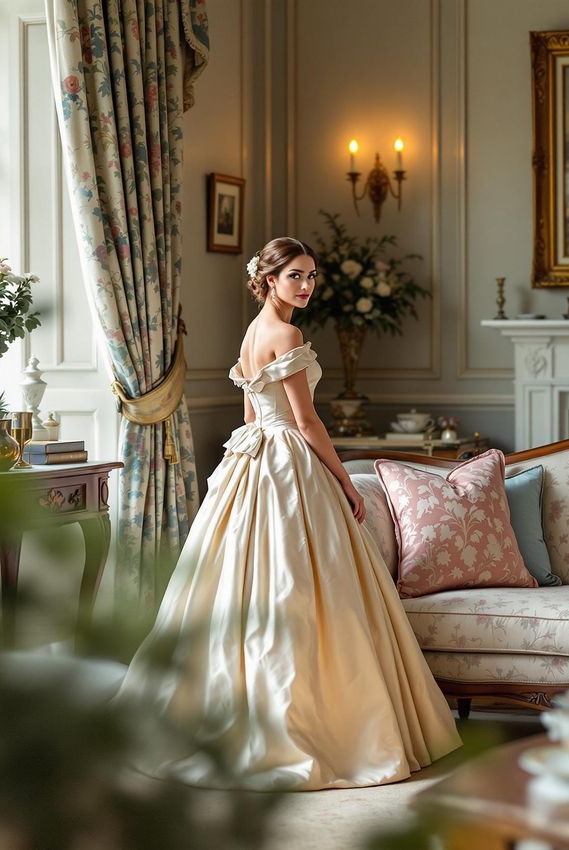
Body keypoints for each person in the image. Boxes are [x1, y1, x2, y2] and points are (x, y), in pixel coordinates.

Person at [116, 237, 461, 790]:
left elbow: (251, 416)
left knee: (242, 582)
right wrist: (344, 479)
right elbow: (306, 421)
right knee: (302, 584)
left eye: (312, 276)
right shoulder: (287, 335)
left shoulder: (252, 332)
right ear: (270, 279)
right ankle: (319, 723)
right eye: (296, 275)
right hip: (287, 462)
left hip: (253, 458)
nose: (307, 286)